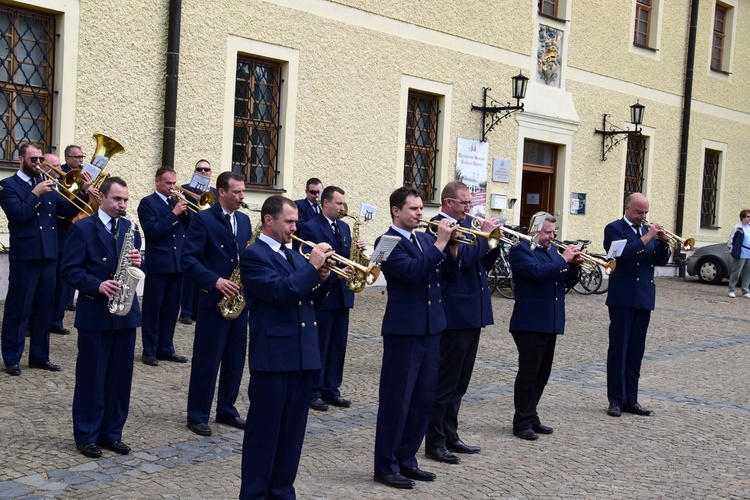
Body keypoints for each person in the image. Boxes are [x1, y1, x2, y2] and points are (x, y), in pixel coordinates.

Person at [238, 195, 332, 500]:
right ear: (269, 220)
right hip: (274, 358)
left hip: (303, 356)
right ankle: (254, 495)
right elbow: (280, 292)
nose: (295, 227)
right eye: (289, 221)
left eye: (295, 221)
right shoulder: (254, 256)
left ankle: (282, 492)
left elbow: (307, 301)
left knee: (292, 435)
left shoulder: (293, 256)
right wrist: (311, 269)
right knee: (264, 435)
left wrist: (322, 278)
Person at [373, 187, 460, 490]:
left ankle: (407, 459)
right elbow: (410, 272)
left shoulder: (425, 238)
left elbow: (449, 275)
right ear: (396, 211)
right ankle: (386, 465)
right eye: (413, 209)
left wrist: (451, 250)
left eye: (421, 208)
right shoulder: (385, 242)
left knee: (423, 400)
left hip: (432, 326)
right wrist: (440, 244)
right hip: (404, 329)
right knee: (398, 400)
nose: (420, 214)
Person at [60, 177, 142, 458]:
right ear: (102, 198)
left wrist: (140, 261)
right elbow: (69, 270)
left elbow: (137, 266)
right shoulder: (83, 228)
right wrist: (97, 285)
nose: (122, 204)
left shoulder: (131, 229)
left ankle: (112, 434)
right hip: (95, 313)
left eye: (126, 200)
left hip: (125, 313)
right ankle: (86, 435)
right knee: (92, 378)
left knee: (120, 379)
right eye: (117, 199)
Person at [0, 142, 91, 376]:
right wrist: (34, 193)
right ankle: (12, 357)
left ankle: (39, 357)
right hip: (26, 256)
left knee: (44, 308)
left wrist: (82, 191)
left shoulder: (51, 187)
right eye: (33, 160)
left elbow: (68, 211)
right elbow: (19, 215)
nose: (38, 164)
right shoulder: (8, 186)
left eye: (40, 159)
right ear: (21, 160)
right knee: (18, 308)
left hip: (49, 255)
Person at [425, 181, 500, 462]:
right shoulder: (437, 226)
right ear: (447, 202)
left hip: (473, 312)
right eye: (464, 203)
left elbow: (483, 261)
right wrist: (482, 237)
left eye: (470, 203)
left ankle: (450, 434)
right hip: (454, 313)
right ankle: (434, 441)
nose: (470, 208)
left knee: (460, 382)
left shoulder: (469, 224)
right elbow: (462, 261)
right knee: (445, 382)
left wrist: (492, 241)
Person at [182, 171, 251, 437]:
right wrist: (215, 281)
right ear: (221, 192)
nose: (242, 196)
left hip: (239, 301)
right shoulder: (203, 219)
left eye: (243, 191)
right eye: (237, 192)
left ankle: (227, 408)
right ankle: (197, 413)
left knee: (235, 359)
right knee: (207, 360)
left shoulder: (244, 220)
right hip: (214, 300)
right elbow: (189, 260)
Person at [508, 212, 580, 440]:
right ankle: (521, 422)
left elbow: (565, 281)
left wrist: (575, 267)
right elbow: (536, 274)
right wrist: (563, 259)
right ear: (535, 230)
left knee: (542, 373)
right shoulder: (521, 251)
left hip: (550, 320)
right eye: (548, 232)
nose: (552, 236)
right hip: (530, 321)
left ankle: (531, 415)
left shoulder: (551, 252)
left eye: (553, 232)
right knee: (529, 373)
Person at [604, 193, 670, 417]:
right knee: (618, 350)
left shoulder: (646, 231)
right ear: (628, 208)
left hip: (643, 297)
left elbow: (659, 261)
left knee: (635, 351)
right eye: (639, 212)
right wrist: (648, 236)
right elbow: (619, 255)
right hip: (622, 297)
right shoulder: (614, 228)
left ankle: (631, 399)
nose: (643, 216)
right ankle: (615, 399)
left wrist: (663, 244)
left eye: (645, 213)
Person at [298, 185, 363, 411]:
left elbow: (347, 257)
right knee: (320, 343)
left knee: (338, 344)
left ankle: (331, 388)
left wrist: (358, 253)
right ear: (325, 203)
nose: (342, 207)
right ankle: (313, 390)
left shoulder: (344, 227)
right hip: (323, 293)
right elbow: (306, 260)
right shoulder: (310, 228)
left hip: (342, 294)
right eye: (338, 203)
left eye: (343, 203)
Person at [137, 167, 191, 366]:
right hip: (159, 263)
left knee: (171, 309)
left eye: (174, 183)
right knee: (153, 308)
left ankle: (166, 347)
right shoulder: (147, 203)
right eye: (168, 183)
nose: (172, 187)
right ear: (157, 182)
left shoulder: (176, 202)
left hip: (178, 263)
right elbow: (152, 231)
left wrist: (184, 211)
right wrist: (174, 213)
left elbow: (190, 227)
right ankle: (149, 349)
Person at [179, 159, 216, 325]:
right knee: (188, 276)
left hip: (210, 238)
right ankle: (185, 312)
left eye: (206, 169)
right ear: (195, 171)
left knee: (203, 274)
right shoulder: (185, 190)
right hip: (191, 235)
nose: (203, 172)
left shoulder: (214, 192)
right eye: (199, 169)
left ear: (211, 172)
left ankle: (196, 310)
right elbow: (183, 214)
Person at [45, 153, 73, 336]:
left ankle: (56, 320)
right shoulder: (41, 185)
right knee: (46, 286)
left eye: (58, 166)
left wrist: (86, 193)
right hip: (47, 241)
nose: (58, 170)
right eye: (54, 166)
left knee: (62, 284)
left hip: (63, 238)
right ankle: (37, 322)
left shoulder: (63, 185)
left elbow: (69, 207)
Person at [60, 145, 87, 312]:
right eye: (77, 157)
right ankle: (64, 301)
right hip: (65, 222)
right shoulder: (63, 172)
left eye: (81, 157)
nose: (80, 160)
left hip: (78, 218)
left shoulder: (83, 173)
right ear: (67, 158)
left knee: (78, 260)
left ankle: (69, 299)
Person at [726, 209, 750, 298]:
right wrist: (732, 251)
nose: (749, 218)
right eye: (748, 217)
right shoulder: (738, 227)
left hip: (749, 253)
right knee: (736, 272)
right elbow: (730, 240)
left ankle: (745, 291)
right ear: (743, 218)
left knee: (748, 272)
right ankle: (731, 290)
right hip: (741, 253)